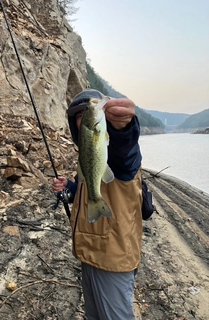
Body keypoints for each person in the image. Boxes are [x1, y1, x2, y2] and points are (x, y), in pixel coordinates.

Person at [52, 89, 143, 320]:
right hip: (88, 253)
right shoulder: (86, 155)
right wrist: (71, 189)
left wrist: (124, 129)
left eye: (87, 111)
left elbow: (126, 152)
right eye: (78, 115)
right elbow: (90, 187)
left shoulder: (115, 154)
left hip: (113, 257)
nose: (83, 116)